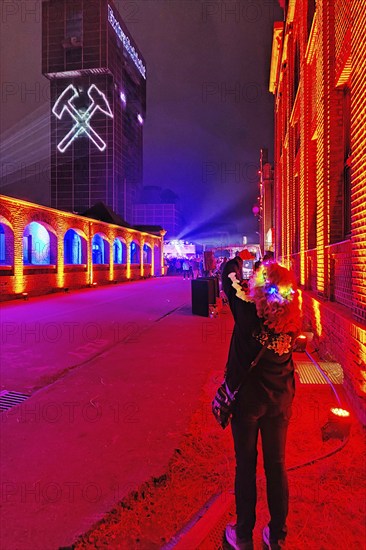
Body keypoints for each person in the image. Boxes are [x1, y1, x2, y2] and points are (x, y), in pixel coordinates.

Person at [221, 256, 302, 550]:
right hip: (279, 401)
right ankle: (277, 536)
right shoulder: (293, 320)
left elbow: (227, 280)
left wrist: (235, 265)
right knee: (276, 465)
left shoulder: (246, 314)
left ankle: (242, 535)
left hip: (247, 402)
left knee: (246, 464)